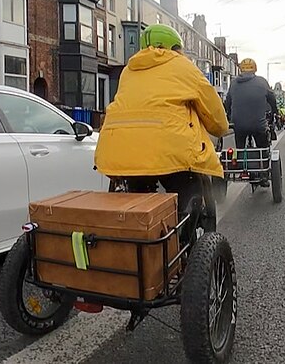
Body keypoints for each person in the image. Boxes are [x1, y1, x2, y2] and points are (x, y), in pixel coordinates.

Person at [94, 23, 229, 232]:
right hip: (172, 151)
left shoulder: (128, 71)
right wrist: (220, 128)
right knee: (189, 189)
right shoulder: (184, 66)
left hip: (118, 152)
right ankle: (185, 247)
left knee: (137, 201)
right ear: (175, 47)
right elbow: (216, 118)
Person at [225, 58, 278, 154]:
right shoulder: (262, 82)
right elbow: (272, 99)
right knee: (263, 149)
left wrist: (228, 115)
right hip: (258, 125)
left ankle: (240, 161)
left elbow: (228, 102)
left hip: (238, 125)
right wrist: (275, 112)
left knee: (239, 149)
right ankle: (263, 161)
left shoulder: (233, 83)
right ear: (255, 69)